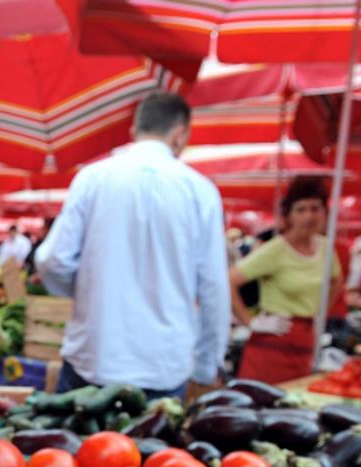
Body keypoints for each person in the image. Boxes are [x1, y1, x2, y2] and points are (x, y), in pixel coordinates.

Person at [35, 91, 229, 398]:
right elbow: (214, 288)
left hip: (94, 356)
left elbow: (52, 260)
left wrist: (86, 292)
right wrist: (207, 364)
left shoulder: (92, 178)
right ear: (180, 135)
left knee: (72, 446)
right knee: (151, 448)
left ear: (134, 132)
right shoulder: (201, 192)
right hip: (163, 367)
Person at [229, 175, 341, 383]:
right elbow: (229, 282)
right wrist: (251, 323)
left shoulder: (326, 248)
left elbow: (336, 280)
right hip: (271, 343)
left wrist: (320, 312)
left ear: (325, 212)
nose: (309, 216)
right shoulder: (275, 250)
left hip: (305, 341)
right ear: (289, 215)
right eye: (301, 209)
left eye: (315, 208)